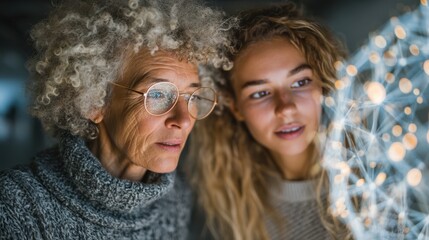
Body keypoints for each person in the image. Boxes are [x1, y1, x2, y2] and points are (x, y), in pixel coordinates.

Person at [0, 0, 235, 238]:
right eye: (158, 94)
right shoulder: (16, 206)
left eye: (192, 96)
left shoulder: (176, 197)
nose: (184, 120)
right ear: (93, 102)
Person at [188, 3, 351, 240]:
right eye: (260, 93)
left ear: (323, 85)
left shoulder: (383, 184)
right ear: (236, 108)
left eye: (300, 82)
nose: (286, 108)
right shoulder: (236, 212)